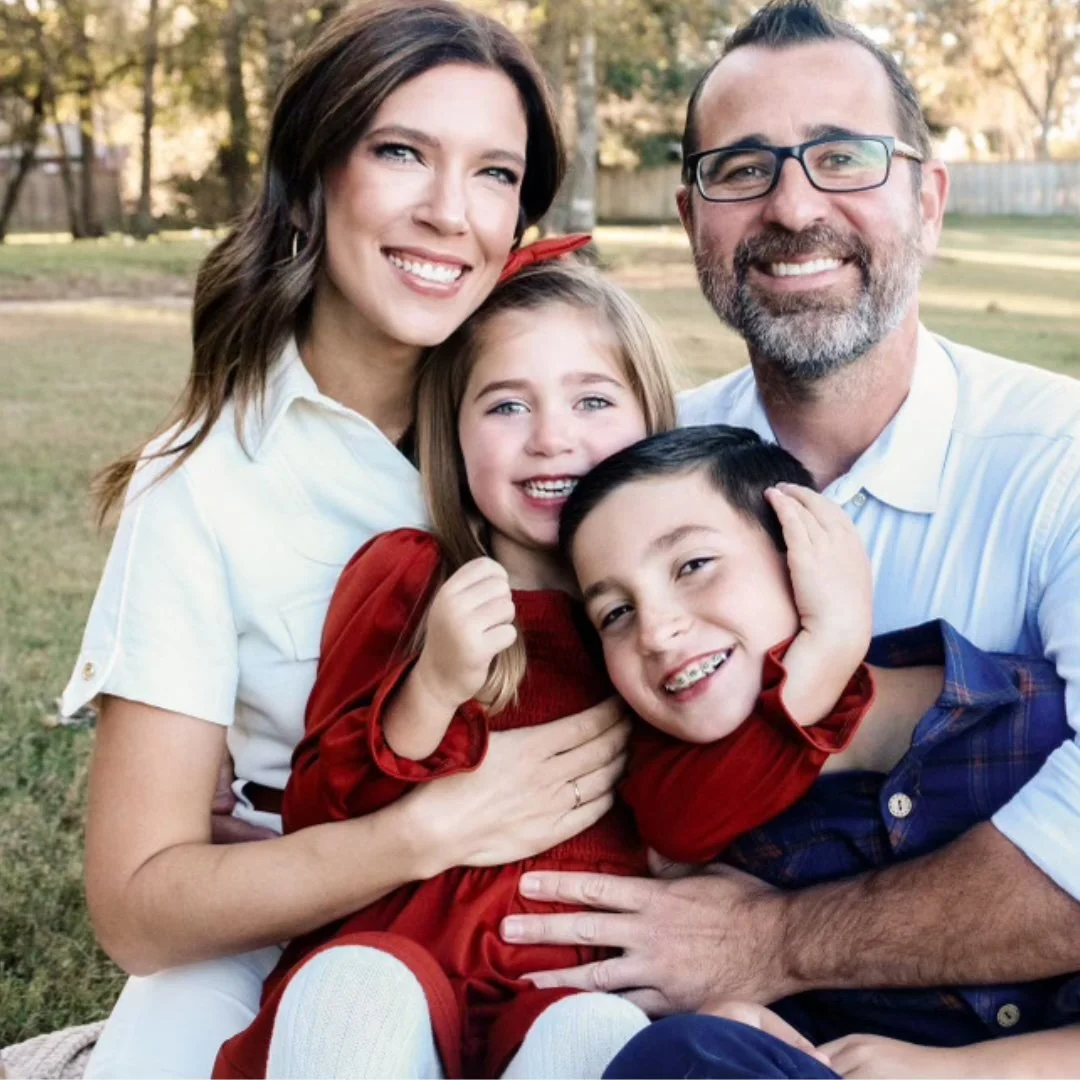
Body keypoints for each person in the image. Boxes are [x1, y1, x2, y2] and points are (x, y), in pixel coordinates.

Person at [499, 0, 1080, 1070]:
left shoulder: (1060, 462)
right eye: (742, 168)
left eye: (844, 156)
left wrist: (771, 942)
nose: (793, 203)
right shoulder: (646, 475)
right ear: (690, 219)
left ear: (930, 200)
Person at [59, 5, 638, 1077]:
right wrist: (429, 831)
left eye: (494, 174)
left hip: (557, 919)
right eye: (401, 152)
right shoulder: (206, 484)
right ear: (314, 174)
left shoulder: (569, 431)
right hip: (292, 917)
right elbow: (140, 908)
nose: (448, 214)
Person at [213, 262, 881, 1079]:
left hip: (560, 986)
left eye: (593, 401)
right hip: (400, 958)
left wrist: (828, 648)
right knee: (351, 987)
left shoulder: (661, 635)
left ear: (651, 421)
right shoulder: (412, 577)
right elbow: (319, 810)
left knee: (594, 1032)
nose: (552, 437)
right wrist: (433, 688)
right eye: (506, 406)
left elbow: (688, 817)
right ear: (451, 434)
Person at [557, 424, 1080, 1077]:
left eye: (693, 566)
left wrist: (968, 1070)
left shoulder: (1037, 729)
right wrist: (738, 1025)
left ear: (806, 555)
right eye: (616, 613)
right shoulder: (706, 836)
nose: (658, 631)